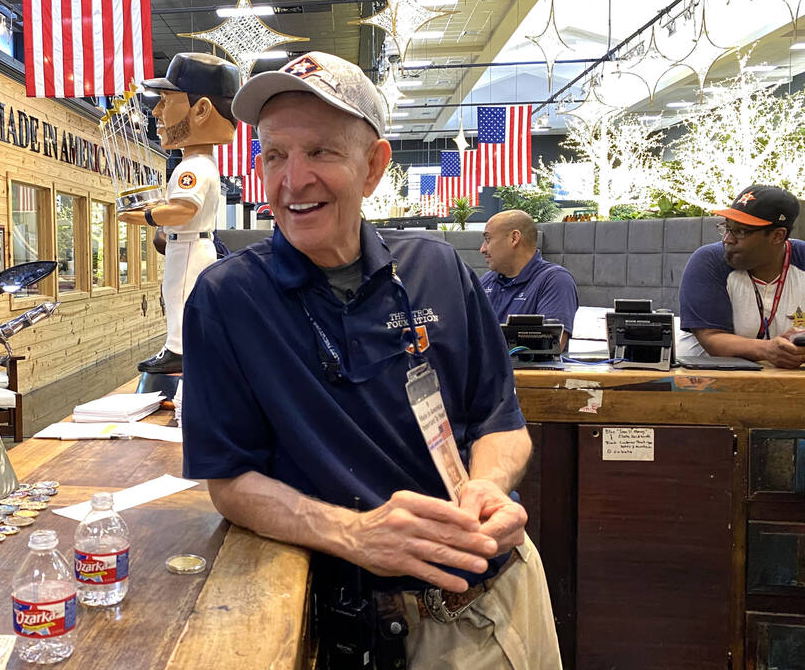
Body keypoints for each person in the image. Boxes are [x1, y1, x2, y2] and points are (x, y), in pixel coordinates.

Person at [180, 51, 560, 669]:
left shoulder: (438, 270)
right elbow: (229, 480)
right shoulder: (228, 300)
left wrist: (488, 486)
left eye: (322, 152)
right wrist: (355, 533)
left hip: (497, 604)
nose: (292, 179)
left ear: (374, 166)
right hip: (354, 628)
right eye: (274, 154)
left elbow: (500, 423)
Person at [120, 53, 241, 375]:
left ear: (200, 110)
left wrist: (144, 217)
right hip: (184, 243)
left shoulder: (195, 167)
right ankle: (177, 347)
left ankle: (180, 350)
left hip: (190, 244)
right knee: (174, 294)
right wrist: (150, 210)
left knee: (181, 295)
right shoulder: (195, 164)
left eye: (165, 101)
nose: (156, 112)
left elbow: (184, 209)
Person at [679, 184, 805, 368]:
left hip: (784, 385)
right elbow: (711, 338)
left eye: (741, 231)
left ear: (778, 236)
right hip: (707, 383)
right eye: (727, 227)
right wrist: (767, 349)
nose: (727, 239)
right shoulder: (708, 261)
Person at [478, 209, 578, 349]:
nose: (482, 249)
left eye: (488, 239)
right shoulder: (486, 282)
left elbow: (548, 348)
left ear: (514, 238)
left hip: (521, 371)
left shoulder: (555, 280)